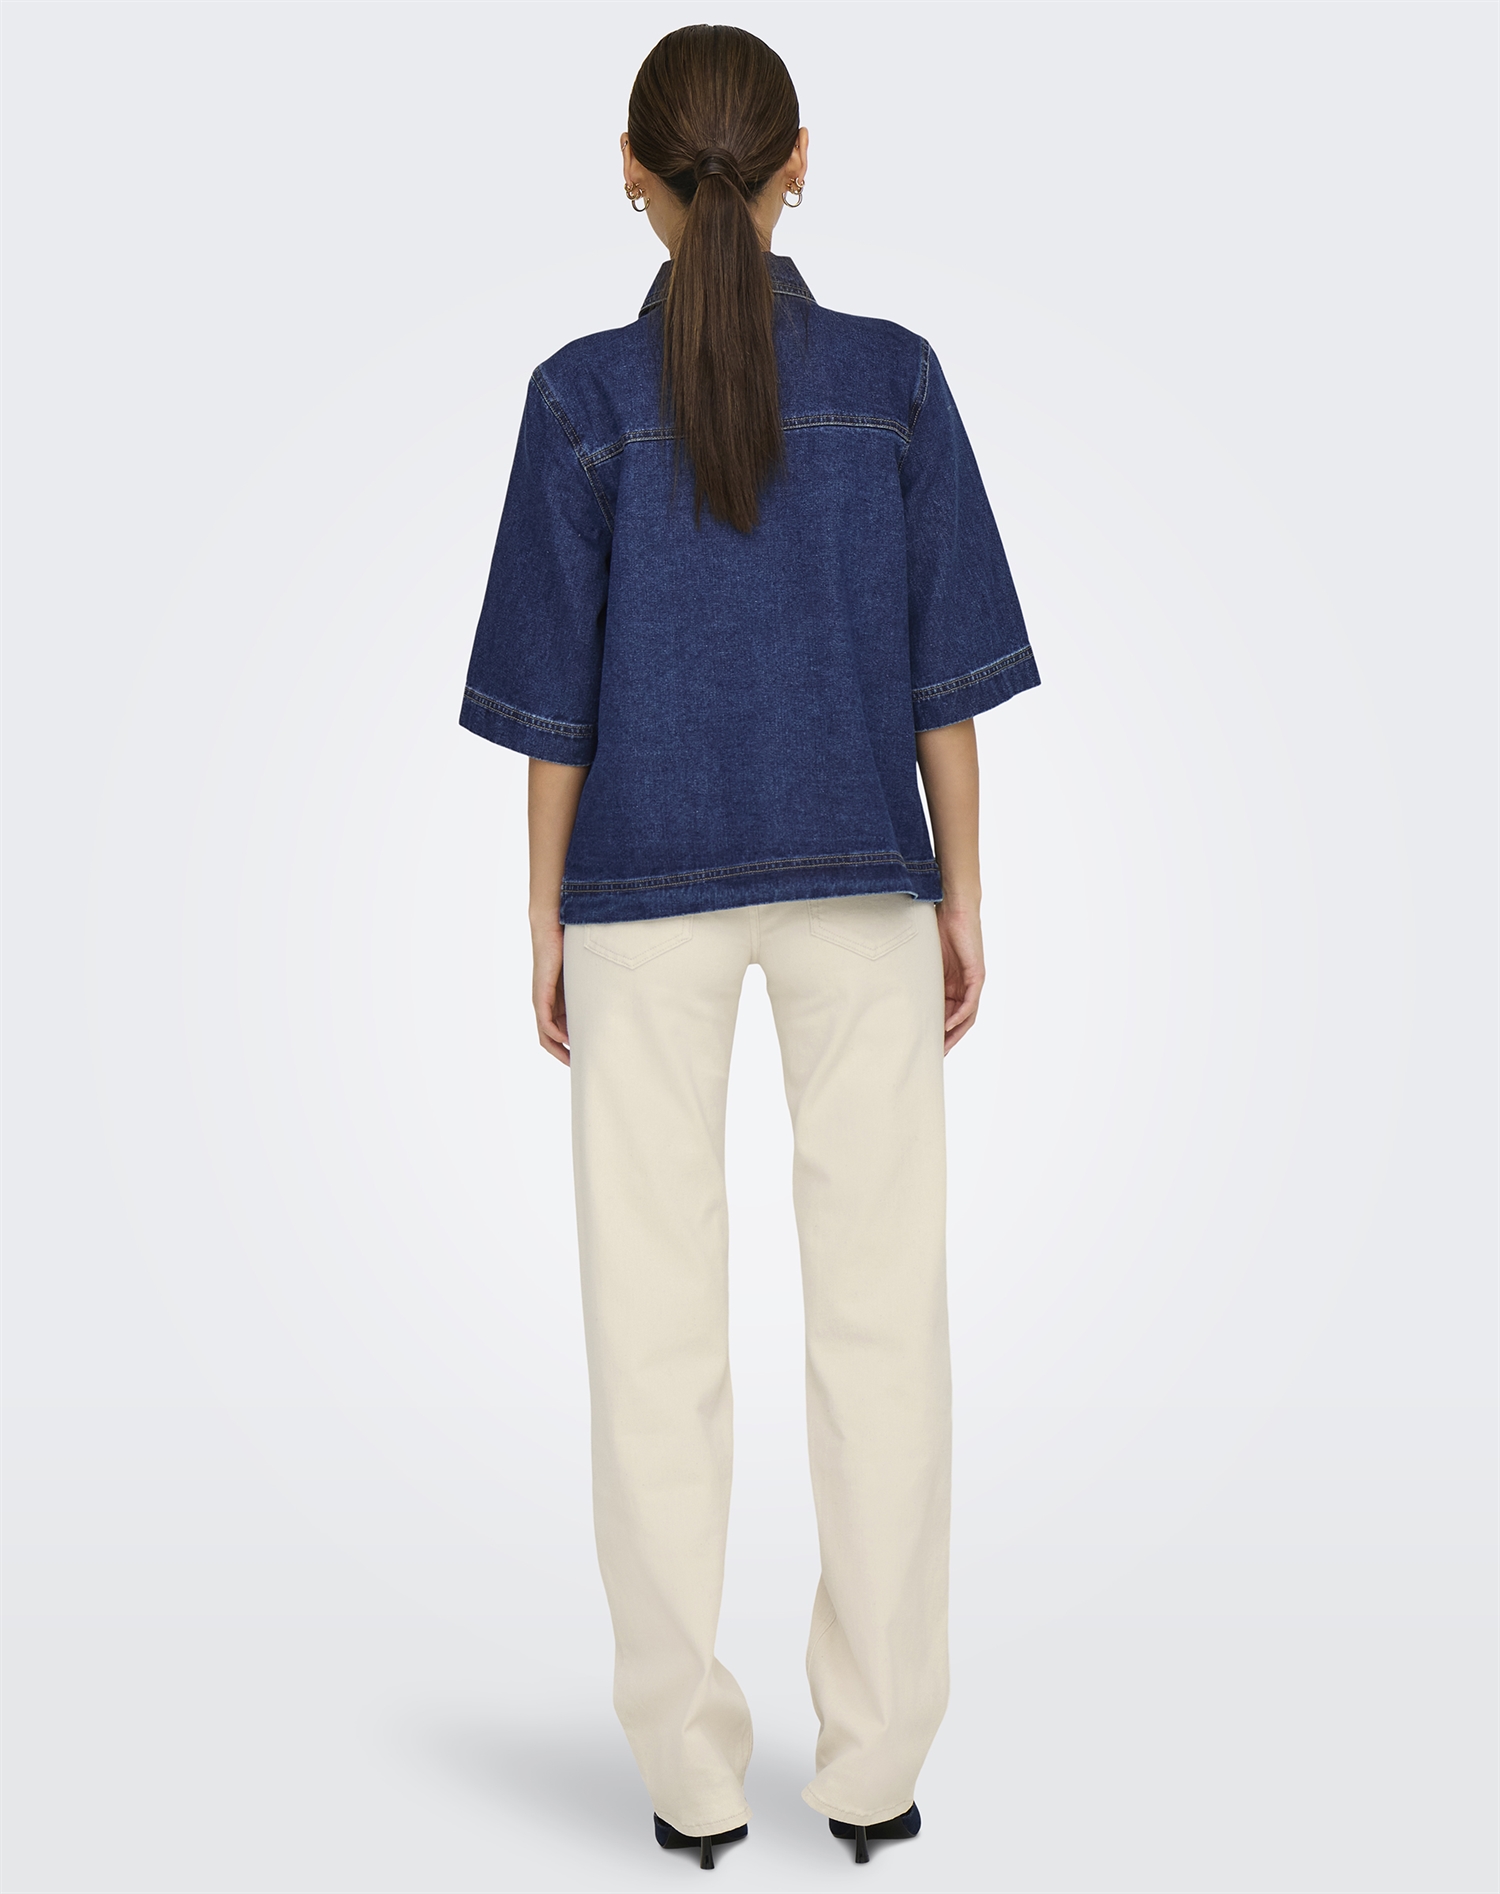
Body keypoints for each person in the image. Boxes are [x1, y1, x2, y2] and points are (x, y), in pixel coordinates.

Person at [459, 22, 1040, 1869]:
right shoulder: (895, 380)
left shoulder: (577, 398)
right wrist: (960, 889)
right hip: (865, 884)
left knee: (651, 1333)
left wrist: (543, 915)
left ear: (629, 174)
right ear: (803, 164)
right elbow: (947, 685)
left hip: (639, 895)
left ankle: (688, 1780)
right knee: (882, 1325)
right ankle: (874, 1768)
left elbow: (553, 711)